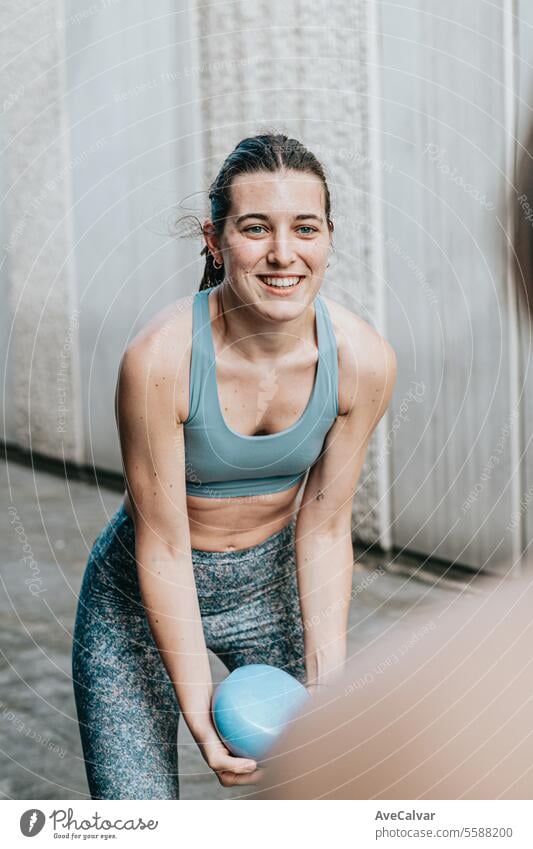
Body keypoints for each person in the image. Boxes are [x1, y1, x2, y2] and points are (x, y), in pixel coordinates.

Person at [71, 132, 397, 799]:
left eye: (304, 228)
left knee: (316, 798)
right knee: (134, 822)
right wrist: (199, 714)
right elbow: (161, 542)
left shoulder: (363, 361)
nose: (283, 252)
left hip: (269, 591)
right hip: (137, 594)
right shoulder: (159, 359)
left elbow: (326, 526)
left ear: (327, 236)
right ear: (215, 240)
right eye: (255, 228)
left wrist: (329, 685)